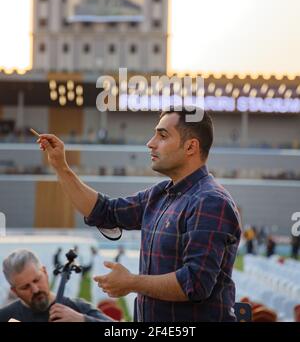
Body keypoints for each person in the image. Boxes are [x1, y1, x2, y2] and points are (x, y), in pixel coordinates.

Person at [36, 107, 242, 322]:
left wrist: (132, 282)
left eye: (162, 135)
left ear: (191, 146)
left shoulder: (210, 201)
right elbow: (105, 212)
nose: (150, 143)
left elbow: (195, 283)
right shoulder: (160, 194)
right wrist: (61, 167)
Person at [0, 249, 112, 322]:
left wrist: (82, 319)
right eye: (25, 287)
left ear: (44, 272)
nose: (35, 289)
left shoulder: (77, 308)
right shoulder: (5, 316)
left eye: (36, 280)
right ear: (14, 291)